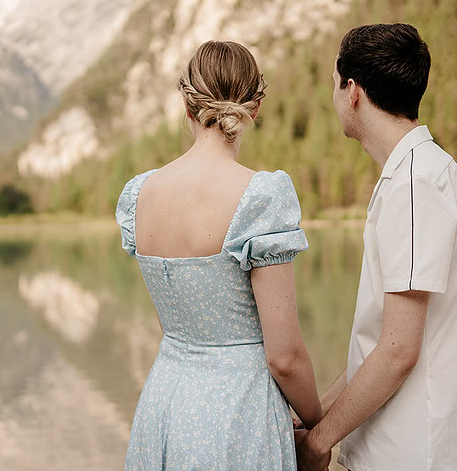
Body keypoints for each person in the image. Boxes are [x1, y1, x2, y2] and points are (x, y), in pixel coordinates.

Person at [117, 40, 322, 471]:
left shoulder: (140, 194)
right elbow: (284, 357)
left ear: (186, 107)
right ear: (256, 107)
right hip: (238, 417)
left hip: (164, 409)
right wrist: (317, 429)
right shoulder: (261, 197)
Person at [295, 23, 457, 471]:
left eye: (334, 84)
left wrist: (319, 443)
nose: (334, 99)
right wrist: (316, 419)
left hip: (415, 452)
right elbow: (381, 342)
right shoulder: (415, 172)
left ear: (353, 90)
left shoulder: (416, 182)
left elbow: (399, 349)